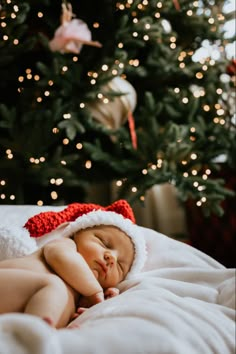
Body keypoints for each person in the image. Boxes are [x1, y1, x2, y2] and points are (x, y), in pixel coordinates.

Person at [0, 207, 146, 329]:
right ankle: (31, 337)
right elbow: (59, 257)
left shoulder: (82, 296)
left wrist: (97, 305)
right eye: (104, 243)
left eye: (120, 266)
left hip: (15, 312)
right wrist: (95, 292)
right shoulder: (66, 245)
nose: (112, 258)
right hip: (7, 280)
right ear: (78, 233)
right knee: (53, 285)